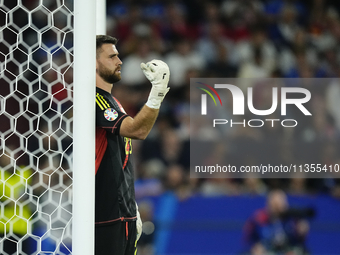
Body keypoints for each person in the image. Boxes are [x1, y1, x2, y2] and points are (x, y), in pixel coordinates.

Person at [95, 35, 170, 255]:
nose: (119, 61)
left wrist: (131, 207)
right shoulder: (96, 99)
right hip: (108, 217)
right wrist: (156, 92)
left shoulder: (112, 100)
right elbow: (138, 130)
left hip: (122, 214)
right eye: (112, 56)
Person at [243, 190, 311, 255]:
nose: (278, 207)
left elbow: (300, 241)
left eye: (281, 203)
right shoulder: (258, 219)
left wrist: (302, 233)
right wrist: (255, 248)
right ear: (268, 204)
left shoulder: (293, 219)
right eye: (275, 204)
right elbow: (248, 241)